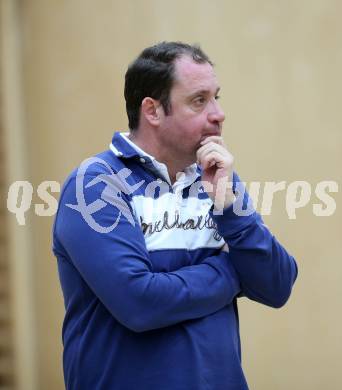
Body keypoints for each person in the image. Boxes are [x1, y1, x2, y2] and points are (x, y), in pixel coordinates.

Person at [53, 41, 298, 390]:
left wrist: (229, 209)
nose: (218, 113)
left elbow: (276, 286)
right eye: (199, 101)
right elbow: (140, 304)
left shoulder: (214, 176)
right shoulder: (94, 185)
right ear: (152, 110)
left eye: (216, 97)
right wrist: (231, 272)